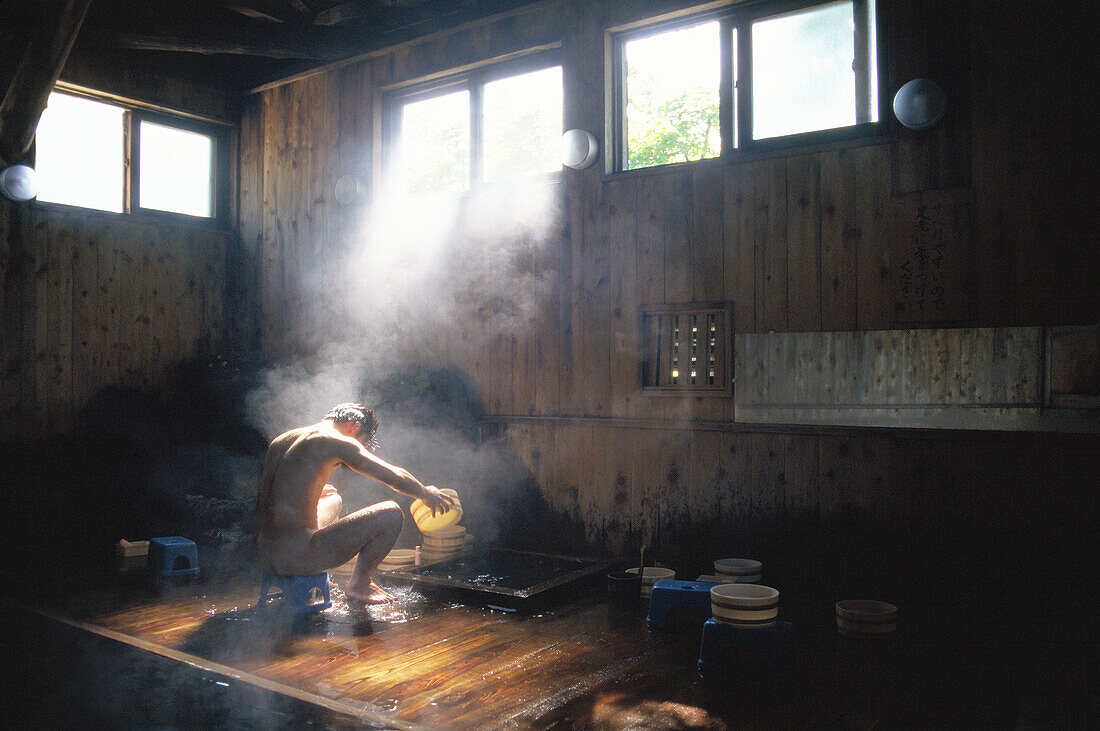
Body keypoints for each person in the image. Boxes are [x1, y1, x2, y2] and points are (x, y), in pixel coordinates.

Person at [256, 402, 453, 605]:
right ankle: (360, 582)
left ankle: (312, 569)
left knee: (333, 499)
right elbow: (395, 477)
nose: (359, 446)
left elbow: (264, 499)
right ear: (355, 426)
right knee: (392, 513)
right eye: (361, 442)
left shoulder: (283, 440)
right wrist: (425, 493)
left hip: (267, 556)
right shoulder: (337, 441)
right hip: (297, 558)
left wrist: (313, 492)